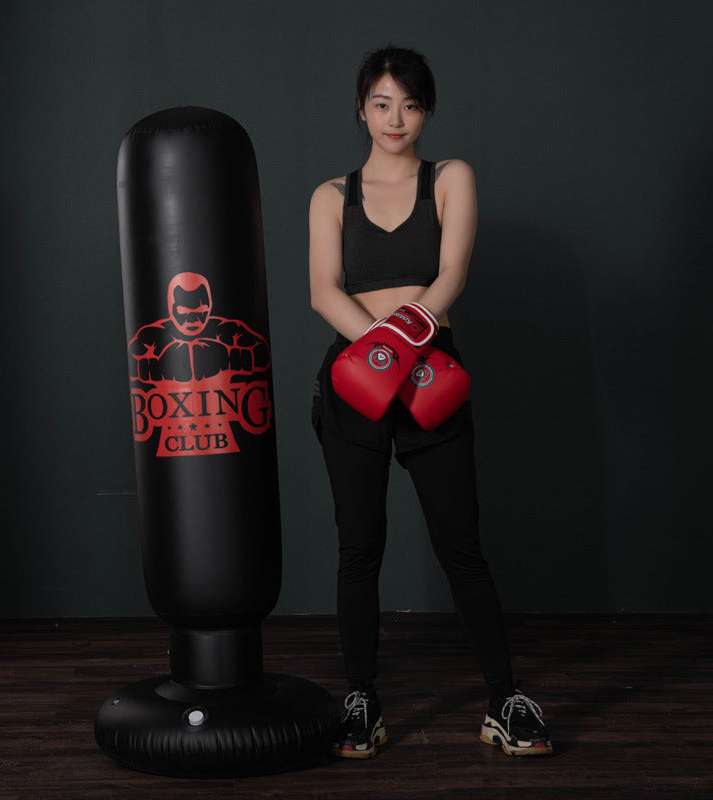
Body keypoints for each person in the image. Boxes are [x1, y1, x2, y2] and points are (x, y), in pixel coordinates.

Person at [308, 45, 552, 759]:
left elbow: (452, 275)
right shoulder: (331, 194)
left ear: (426, 111)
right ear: (362, 108)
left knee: (462, 547)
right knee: (360, 548)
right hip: (355, 382)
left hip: (432, 377)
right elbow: (324, 291)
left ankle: (505, 698)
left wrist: (403, 349)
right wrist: (379, 356)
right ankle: (361, 699)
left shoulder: (450, 178)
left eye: (410, 104)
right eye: (382, 103)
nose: (396, 117)